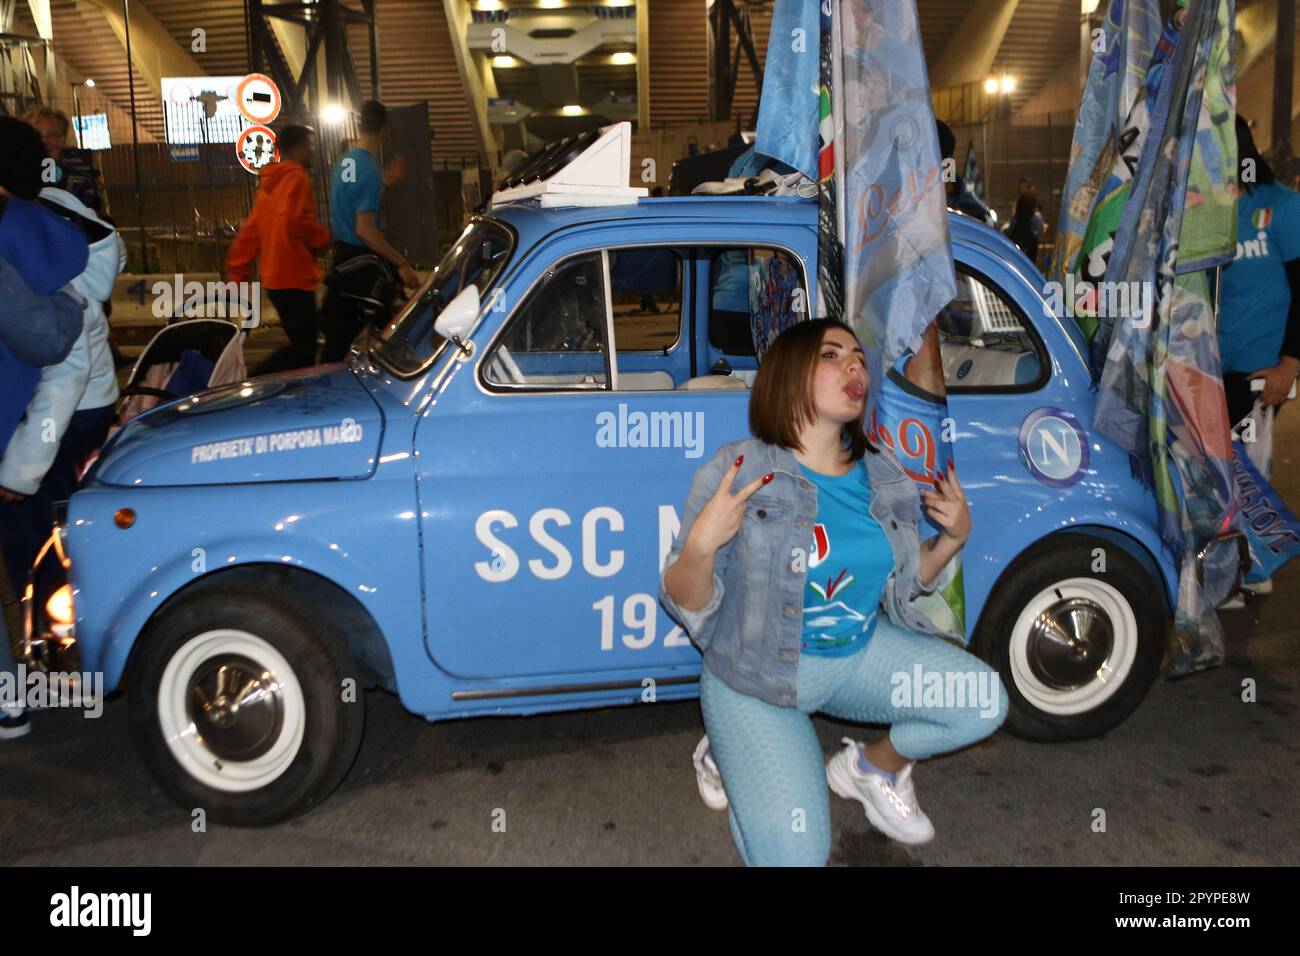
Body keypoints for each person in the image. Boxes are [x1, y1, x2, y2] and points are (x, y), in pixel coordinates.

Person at [661, 319, 1006, 866]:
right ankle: (730, 751)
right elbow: (685, 599)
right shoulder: (740, 468)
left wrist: (952, 539)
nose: (856, 366)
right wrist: (700, 548)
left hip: (854, 660)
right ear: (790, 375)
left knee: (983, 701)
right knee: (797, 855)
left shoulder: (885, 476)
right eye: (832, 354)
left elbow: (904, 583)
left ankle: (873, 767)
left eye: (859, 358)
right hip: (754, 682)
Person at [0, 118, 122, 602]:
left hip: (60, 417)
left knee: (39, 548)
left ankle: (54, 654)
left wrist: (21, 469)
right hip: (74, 408)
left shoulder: (31, 243)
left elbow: (64, 368)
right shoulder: (55, 218)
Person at [1217, 116, 1300, 602]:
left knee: (1243, 469)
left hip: (1260, 371)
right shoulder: (1208, 212)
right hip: (1210, 366)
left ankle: (1250, 567)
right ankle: (1241, 565)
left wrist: (1290, 364)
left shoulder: (1282, 207)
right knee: (1220, 468)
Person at [226, 124, 332, 374]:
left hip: (275, 279)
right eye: (310, 145)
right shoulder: (297, 178)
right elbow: (296, 221)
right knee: (304, 349)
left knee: (303, 345)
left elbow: (251, 231)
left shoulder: (269, 185)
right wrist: (322, 237)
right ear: (299, 147)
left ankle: (281, 390)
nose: (313, 151)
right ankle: (256, 381)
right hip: (294, 277)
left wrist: (237, 271)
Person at [318, 100, 419, 362]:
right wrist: (401, 262)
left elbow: (353, 194)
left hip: (342, 257)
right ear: (385, 130)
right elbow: (364, 229)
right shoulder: (369, 171)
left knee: (343, 334)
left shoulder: (346, 161)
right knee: (390, 326)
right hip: (360, 262)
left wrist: (383, 183)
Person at [22, 105, 106, 215]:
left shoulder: (81, 184)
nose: (44, 141)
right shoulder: (11, 182)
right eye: (36, 134)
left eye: (53, 134)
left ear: (63, 139)